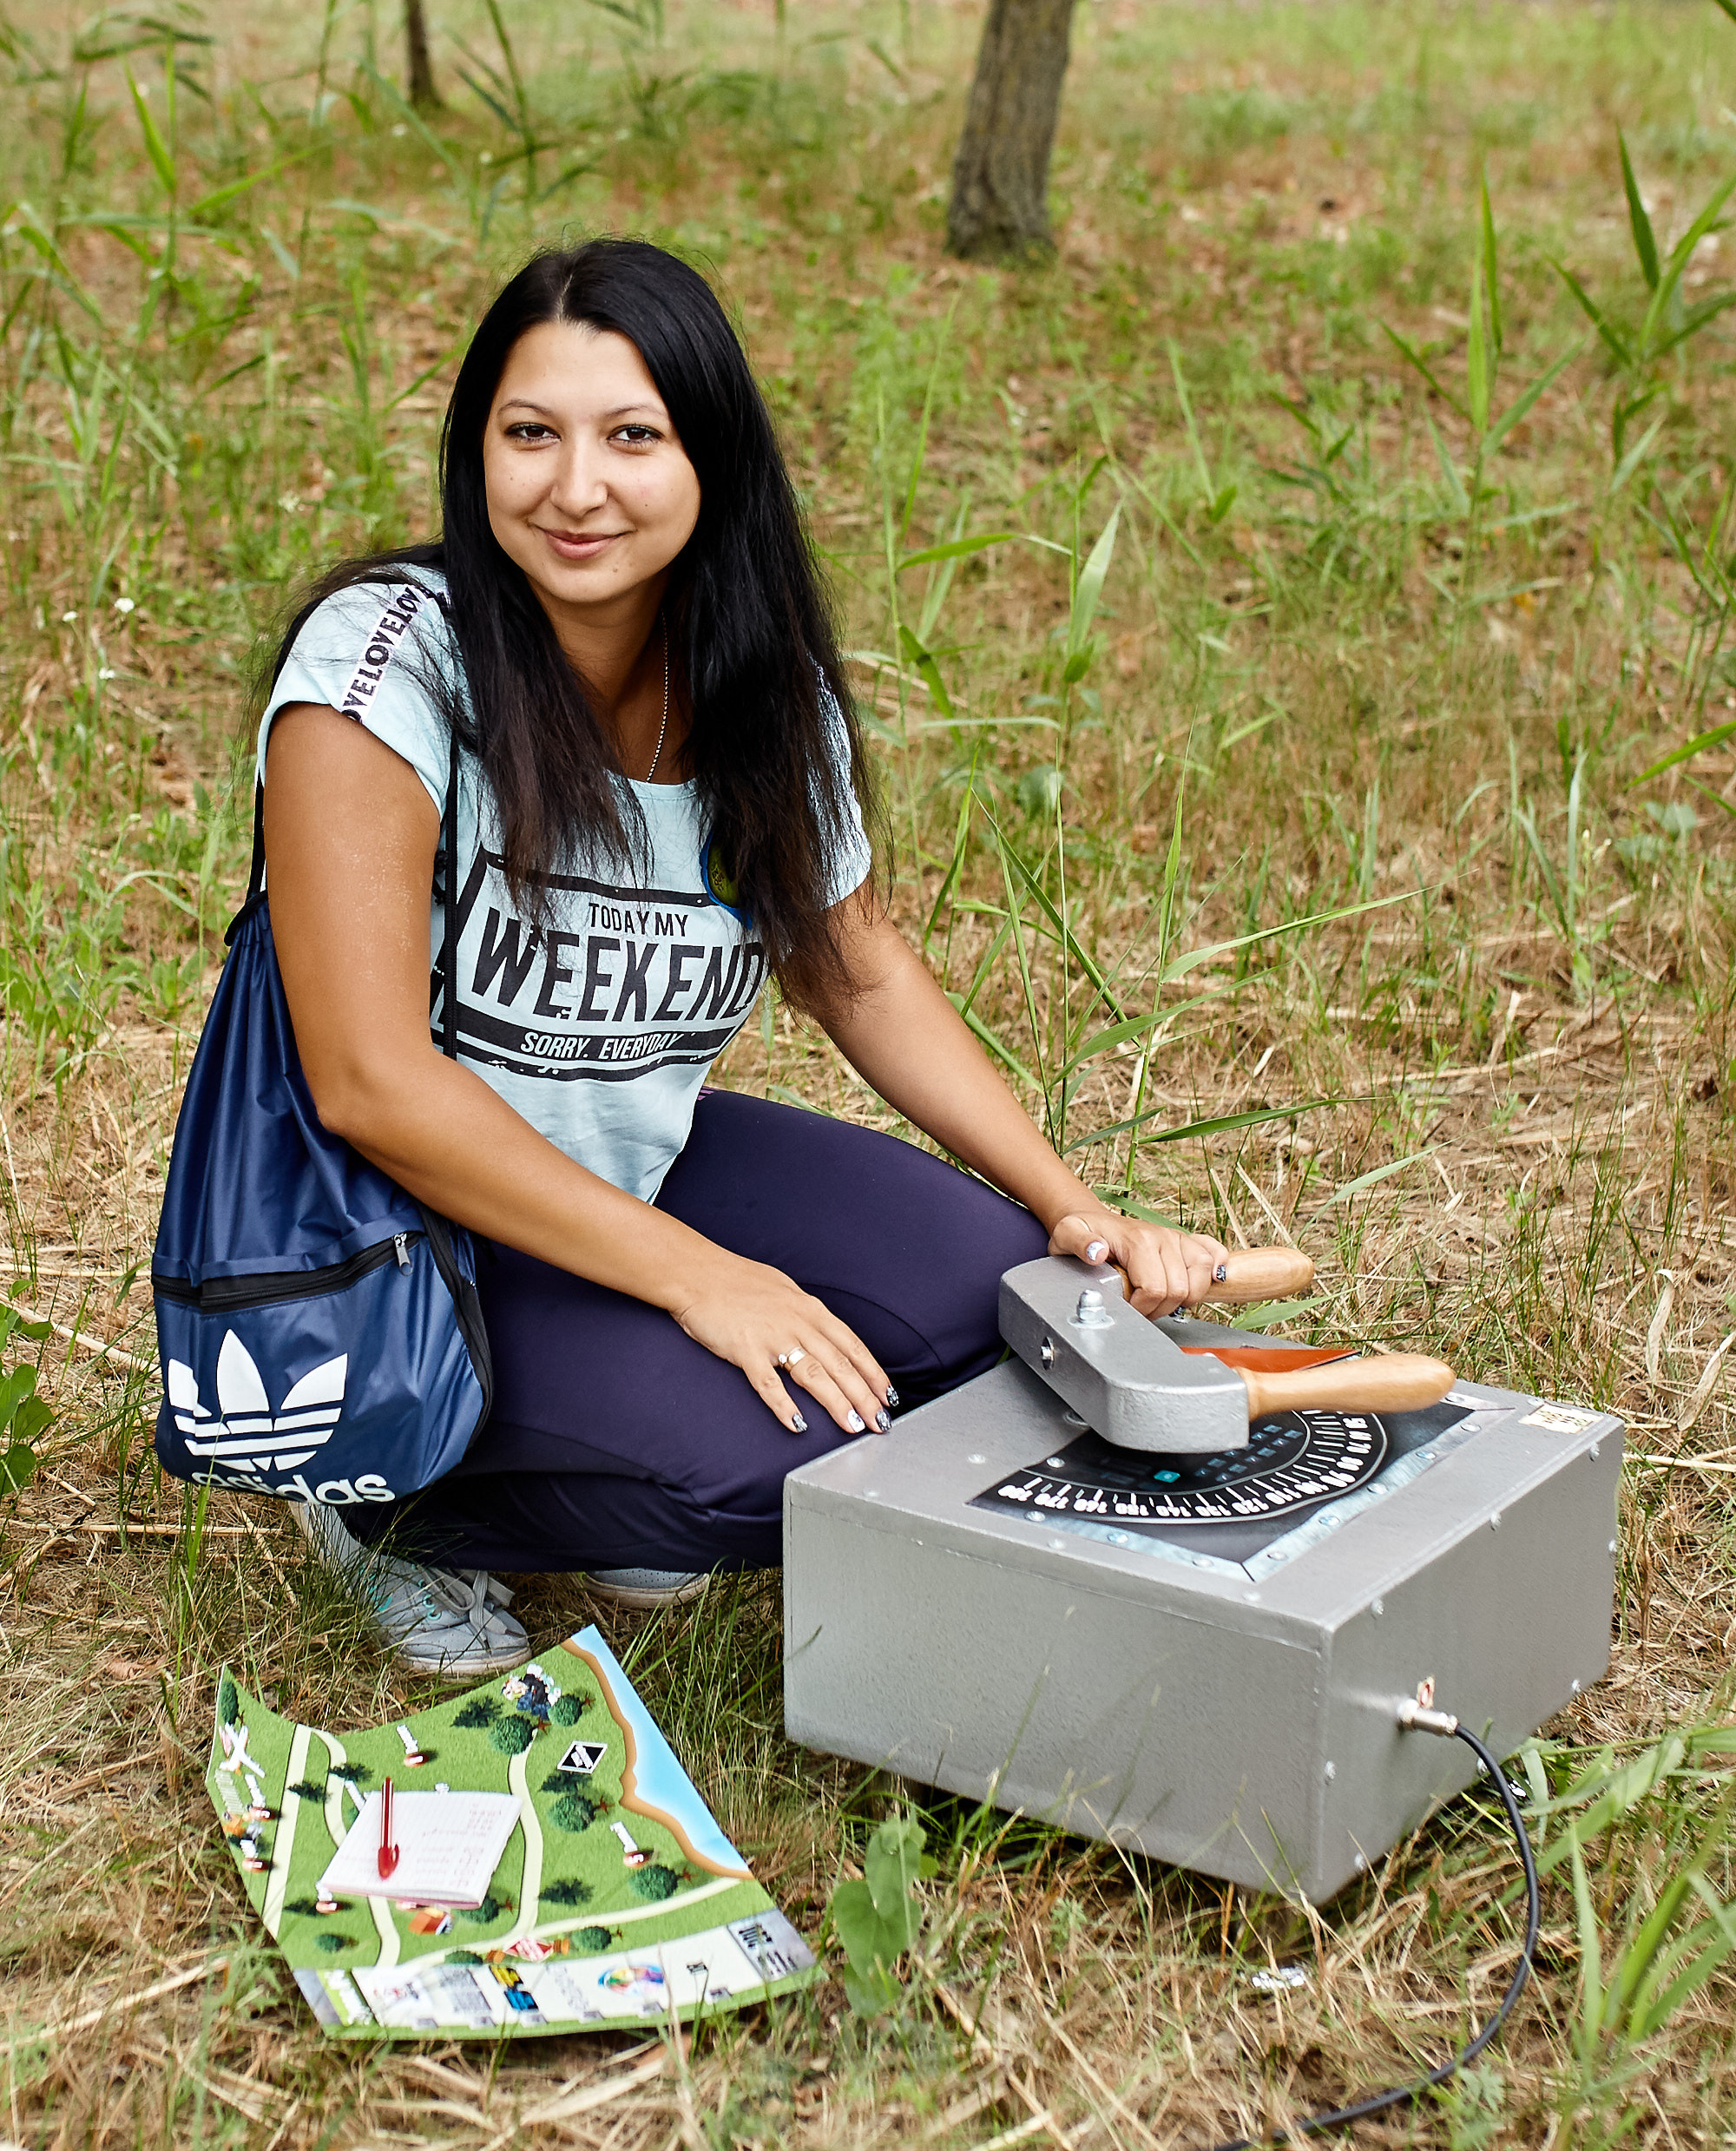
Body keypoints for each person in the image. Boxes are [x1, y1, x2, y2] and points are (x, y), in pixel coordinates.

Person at [260, 240, 1226, 1672]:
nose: (575, 487)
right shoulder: (386, 672)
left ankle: (603, 1424)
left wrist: (1073, 1204)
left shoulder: (750, 680)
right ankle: (386, 1498)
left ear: (712, 457)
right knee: (759, 1467)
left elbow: (858, 963)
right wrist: (700, 1279)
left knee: (993, 1304)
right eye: (530, 434)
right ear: (478, 455)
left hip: (619, 1157)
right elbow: (369, 1086)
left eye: (631, 437)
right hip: (385, 1241)